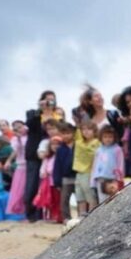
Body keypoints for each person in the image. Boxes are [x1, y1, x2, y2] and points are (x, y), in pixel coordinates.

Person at [24, 90, 60, 221]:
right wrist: (41, 110)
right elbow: (30, 125)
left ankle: (45, 214)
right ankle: (31, 214)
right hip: (34, 153)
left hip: (52, 154)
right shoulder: (33, 113)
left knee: (47, 185)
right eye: (47, 99)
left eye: (52, 100)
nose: (50, 102)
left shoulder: (58, 115)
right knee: (32, 184)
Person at [91, 125, 125, 204]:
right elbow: (95, 166)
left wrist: (119, 179)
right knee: (102, 201)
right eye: (105, 137)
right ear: (101, 137)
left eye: (110, 137)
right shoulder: (98, 150)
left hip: (112, 179)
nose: (108, 139)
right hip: (100, 179)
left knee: (114, 200)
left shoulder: (117, 149)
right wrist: (92, 182)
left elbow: (120, 165)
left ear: (114, 137)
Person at [73, 121, 100, 216]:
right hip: (79, 172)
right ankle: (81, 216)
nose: (86, 131)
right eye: (83, 129)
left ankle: (92, 216)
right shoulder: (79, 142)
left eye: (89, 129)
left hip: (89, 172)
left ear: (94, 130)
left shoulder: (96, 142)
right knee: (80, 197)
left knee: (90, 197)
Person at [33, 136, 62, 223]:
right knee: (47, 200)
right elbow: (43, 169)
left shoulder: (60, 156)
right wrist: (44, 173)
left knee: (58, 200)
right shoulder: (48, 157)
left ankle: (57, 217)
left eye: (57, 144)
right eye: (53, 144)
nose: (55, 146)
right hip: (47, 182)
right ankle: (48, 217)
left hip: (57, 182)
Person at [52, 122, 76, 223]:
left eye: (68, 133)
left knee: (80, 199)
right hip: (65, 178)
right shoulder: (60, 149)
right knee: (64, 201)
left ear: (73, 133)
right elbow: (57, 166)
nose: (66, 136)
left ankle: (82, 219)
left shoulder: (78, 146)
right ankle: (67, 219)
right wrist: (57, 181)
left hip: (78, 176)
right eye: (63, 133)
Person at [4, 120, 27, 215]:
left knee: (26, 189)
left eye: (20, 126)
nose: (19, 129)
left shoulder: (29, 136)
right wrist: (8, 161)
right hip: (20, 165)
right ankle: (18, 210)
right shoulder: (15, 139)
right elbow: (15, 151)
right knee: (18, 189)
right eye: (16, 127)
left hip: (29, 165)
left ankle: (26, 210)